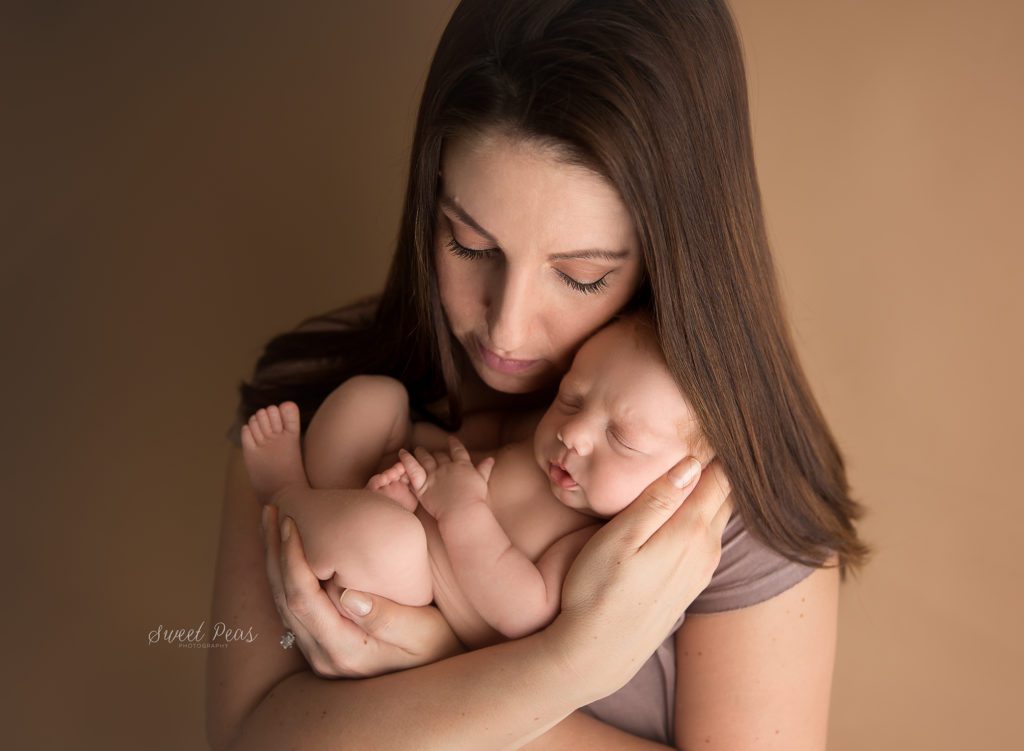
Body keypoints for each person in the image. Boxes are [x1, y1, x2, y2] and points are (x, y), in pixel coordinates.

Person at [207, 0, 871, 748]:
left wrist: (508, 667)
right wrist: (540, 669)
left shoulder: (715, 498)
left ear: (671, 258)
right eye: (469, 244)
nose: (506, 327)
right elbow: (250, 736)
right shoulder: (313, 396)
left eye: (581, 275)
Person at [240, 313, 715, 648]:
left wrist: (463, 511)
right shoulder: (537, 437)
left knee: (390, 537)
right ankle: (326, 503)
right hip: (388, 495)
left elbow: (525, 610)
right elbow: (457, 444)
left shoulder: (593, 539)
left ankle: (284, 493)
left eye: (621, 438)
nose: (573, 432)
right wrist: (409, 461)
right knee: (377, 398)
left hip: (407, 587)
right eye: (571, 399)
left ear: (680, 480)